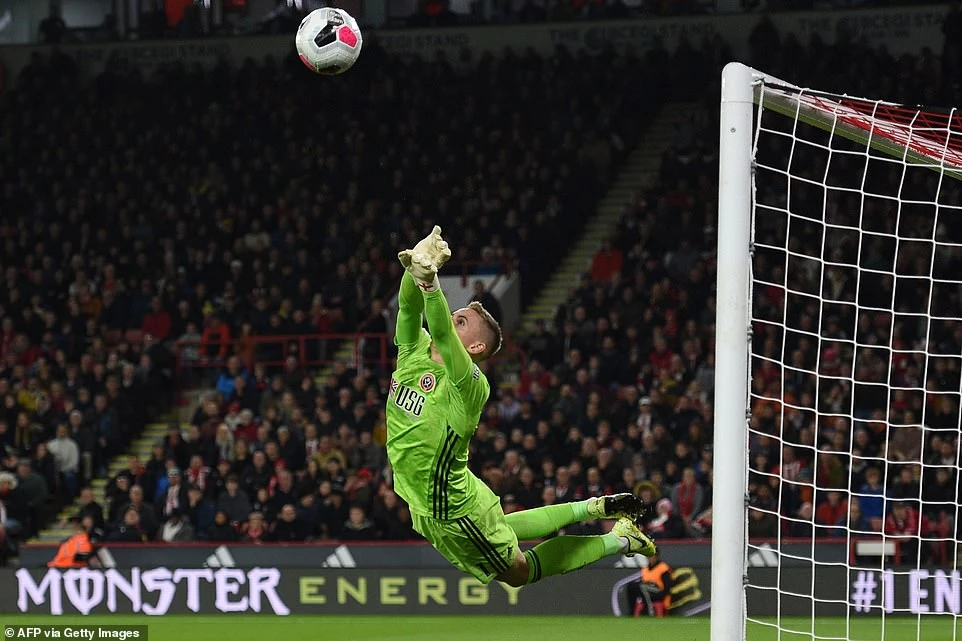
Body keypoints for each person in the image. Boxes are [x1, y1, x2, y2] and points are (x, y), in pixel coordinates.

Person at [386, 226, 655, 589]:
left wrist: (431, 284)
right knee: (503, 528)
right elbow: (408, 306)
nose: (450, 320)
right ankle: (593, 507)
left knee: (517, 572)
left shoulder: (470, 385)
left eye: (461, 320)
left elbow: (444, 335)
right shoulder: (413, 351)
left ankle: (620, 539)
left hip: (450, 508)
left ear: (476, 348)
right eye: (453, 315)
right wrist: (415, 265)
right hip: (423, 502)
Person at [627, 551, 674, 617]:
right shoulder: (645, 569)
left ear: (657, 557)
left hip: (659, 591)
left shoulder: (663, 568)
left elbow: (667, 586)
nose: (650, 559)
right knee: (632, 586)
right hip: (646, 591)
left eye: (652, 557)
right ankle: (632, 611)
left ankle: (649, 610)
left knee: (642, 587)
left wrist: (663, 595)